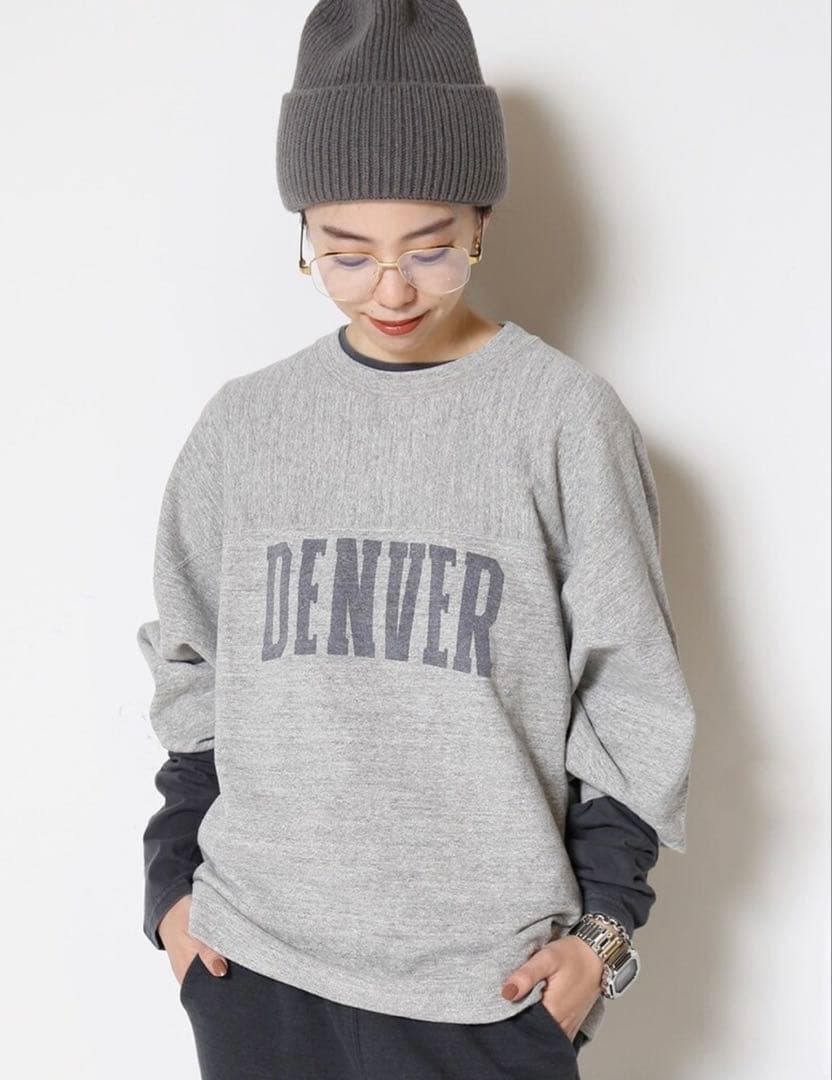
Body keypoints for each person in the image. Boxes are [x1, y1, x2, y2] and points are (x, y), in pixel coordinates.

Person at [137, 2, 697, 1078]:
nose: (390, 290)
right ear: (303, 229)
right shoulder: (246, 425)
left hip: (489, 988)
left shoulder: (562, 420)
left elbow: (632, 695)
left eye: (431, 250)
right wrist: (171, 889)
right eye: (344, 255)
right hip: (255, 967)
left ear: (481, 219)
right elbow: (190, 668)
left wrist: (601, 936)